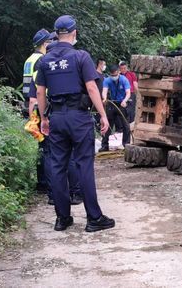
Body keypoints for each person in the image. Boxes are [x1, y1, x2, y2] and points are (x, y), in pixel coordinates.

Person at [36, 15, 114, 232]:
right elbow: (91, 88)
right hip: (79, 118)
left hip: (57, 118)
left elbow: (41, 92)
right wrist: (103, 116)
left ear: (55, 34)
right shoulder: (81, 57)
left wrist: (44, 118)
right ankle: (94, 219)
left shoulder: (45, 61)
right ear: (74, 33)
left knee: (58, 166)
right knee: (84, 166)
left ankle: (62, 219)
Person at [28, 58, 83, 207]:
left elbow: (33, 100)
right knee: (70, 154)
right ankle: (76, 193)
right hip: (62, 114)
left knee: (50, 156)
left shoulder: (37, 74)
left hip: (44, 117)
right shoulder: (64, 69)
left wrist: (35, 120)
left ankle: (53, 195)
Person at [23, 29, 53, 119]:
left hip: (27, 102)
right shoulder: (41, 60)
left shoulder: (29, 59)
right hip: (36, 104)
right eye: (50, 41)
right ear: (45, 44)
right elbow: (39, 87)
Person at [100, 65, 131, 152]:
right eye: (112, 75)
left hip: (122, 103)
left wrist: (125, 100)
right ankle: (105, 145)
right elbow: (104, 91)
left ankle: (126, 144)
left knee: (125, 125)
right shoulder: (108, 80)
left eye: (115, 75)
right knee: (108, 124)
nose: (114, 77)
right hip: (112, 103)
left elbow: (128, 93)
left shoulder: (124, 80)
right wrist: (105, 98)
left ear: (118, 72)